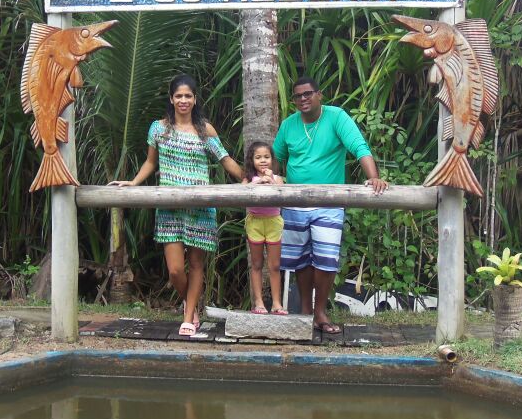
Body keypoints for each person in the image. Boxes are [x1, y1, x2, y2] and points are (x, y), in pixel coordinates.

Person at [110, 74, 243, 336]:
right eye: (179, 96)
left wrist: (248, 179)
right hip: (169, 205)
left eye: (188, 96)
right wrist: (134, 183)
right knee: (175, 270)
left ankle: (189, 314)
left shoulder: (206, 130)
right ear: (171, 99)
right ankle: (190, 304)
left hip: (201, 206)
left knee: (196, 265)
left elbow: (225, 159)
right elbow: (151, 162)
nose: (183, 100)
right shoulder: (158, 128)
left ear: (195, 100)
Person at [272, 76, 388, 335]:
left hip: (329, 201)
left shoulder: (336, 117)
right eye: (298, 96)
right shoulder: (289, 125)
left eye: (307, 94)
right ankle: (305, 312)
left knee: (326, 260)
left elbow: (359, 148)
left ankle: (320, 311)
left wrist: (373, 177)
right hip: (295, 201)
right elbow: (276, 157)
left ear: (319, 94)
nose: (303, 99)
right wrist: (276, 182)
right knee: (301, 260)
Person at [242, 141, 286, 315]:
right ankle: (259, 302)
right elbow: (243, 192)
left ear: (272, 160)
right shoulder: (249, 179)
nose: (262, 161)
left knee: (274, 265)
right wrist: (258, 182)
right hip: (255, 222)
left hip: (274, 221)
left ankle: (276, 303)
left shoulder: (277, 178)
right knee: (257, 264)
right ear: (251, 160)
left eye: (266, 157)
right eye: (258, 157)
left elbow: (282, 191)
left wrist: (271, 180)